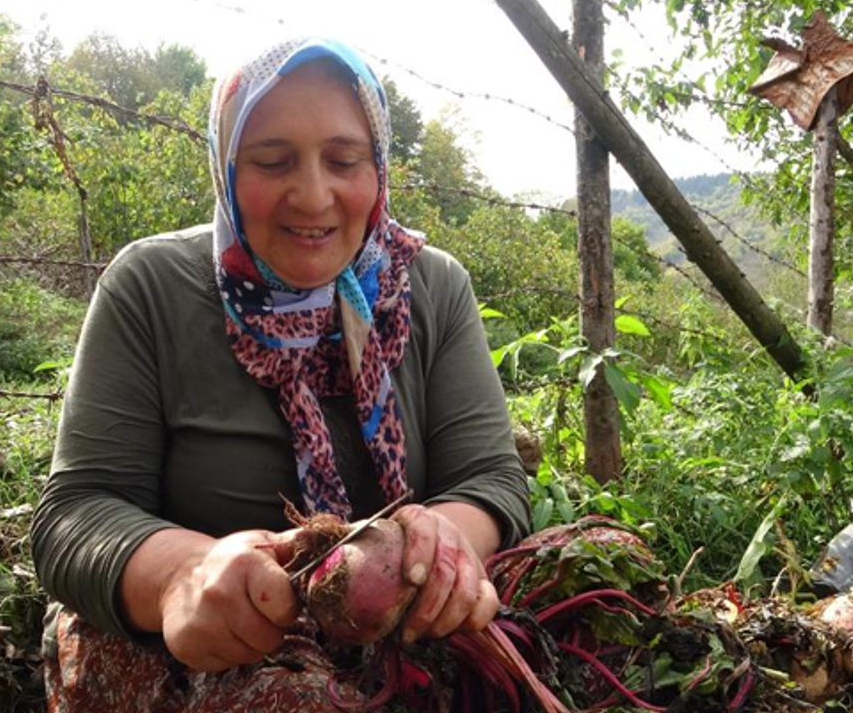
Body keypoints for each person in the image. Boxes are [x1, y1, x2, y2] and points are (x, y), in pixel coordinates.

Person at [30, 37, 529, 712]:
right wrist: (183, 575)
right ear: (227, 169)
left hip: (399, 627)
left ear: (377, 168)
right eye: (273, 161)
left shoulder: (433, 285)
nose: (314, 195)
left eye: (344, 160)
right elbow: (77, 513)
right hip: (208, 650)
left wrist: (440, 546)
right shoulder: (150, 287)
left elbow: (490, 479)